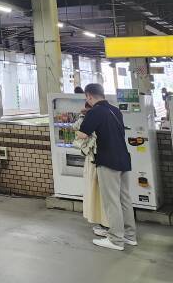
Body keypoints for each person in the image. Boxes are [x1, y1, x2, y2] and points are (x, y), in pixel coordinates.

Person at [77, 83, 136, 251]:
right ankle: (130, 236)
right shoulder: (115, 110)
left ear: (89, 96)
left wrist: (78, 124)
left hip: (108, 160)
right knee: (124, 199)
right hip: (123, 159)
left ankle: (116, 240)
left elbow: (82, 134)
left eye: (86, 97)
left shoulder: (95, 112)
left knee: (112, 202)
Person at [73, 98, 107, 232]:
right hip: (98, 159)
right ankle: (104, 223)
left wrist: (83, 116)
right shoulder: (109, 113)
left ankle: (105, 224)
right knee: (100, 193)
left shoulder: (91, 118)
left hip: (94, 160)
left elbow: (79, 132)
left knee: (97, 192)